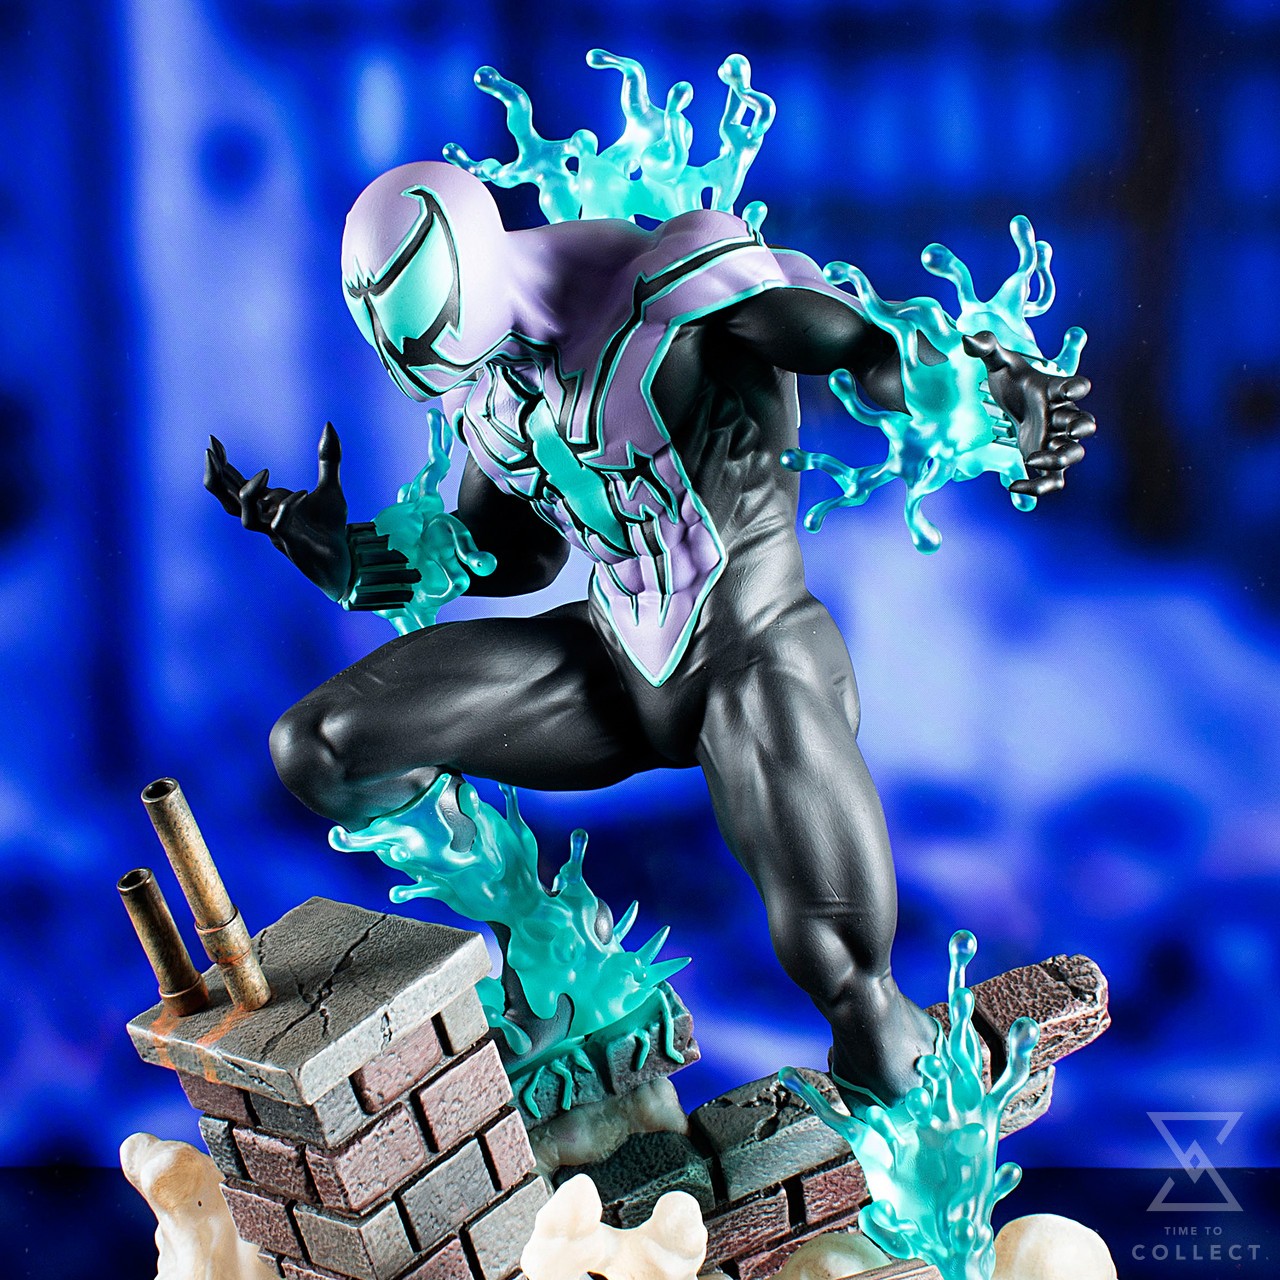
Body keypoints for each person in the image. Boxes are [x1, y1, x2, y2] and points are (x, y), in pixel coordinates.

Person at [206, 161, 1095, 1107]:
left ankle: (902, 1061)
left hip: (752, 653)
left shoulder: (666, 290)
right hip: (613, 664)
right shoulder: (492, 387)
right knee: (324, 747)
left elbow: (859, 345)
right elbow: (515, 555)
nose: (454, 380)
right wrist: (360, 559)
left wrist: (978, 395)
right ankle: (557, 960)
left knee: (851, 991)